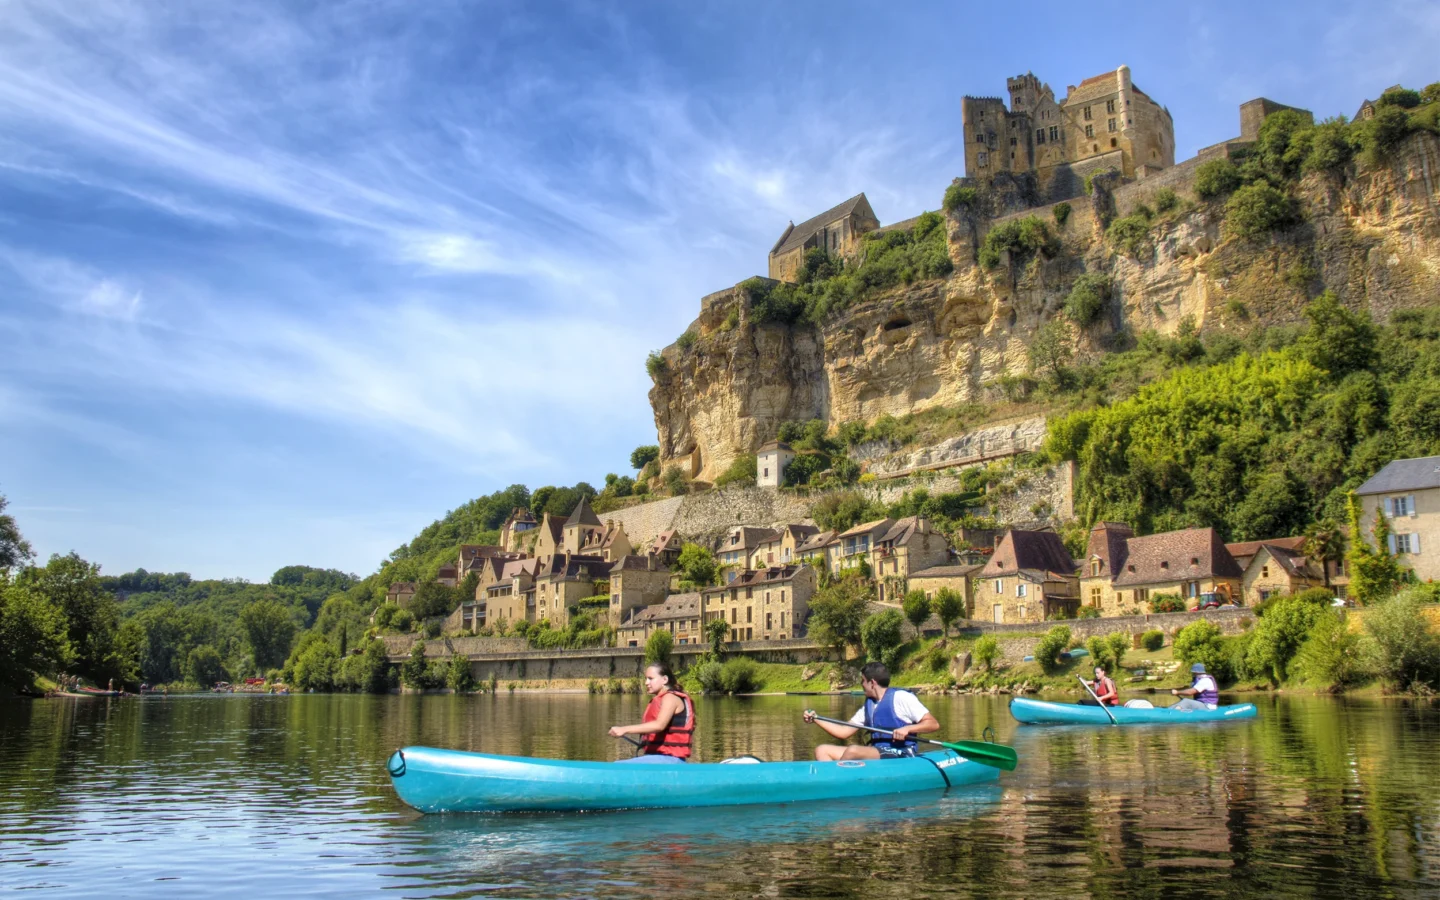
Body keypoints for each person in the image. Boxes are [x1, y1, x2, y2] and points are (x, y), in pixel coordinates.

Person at [803, 662, 940, 761]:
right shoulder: (869, 706)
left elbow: (933, 724)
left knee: (853, 750)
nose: (861, 685)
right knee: (822, 750)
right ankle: (829, 780)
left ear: (872, 683)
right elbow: (844, 732)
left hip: (902, 752)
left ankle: (838, 782)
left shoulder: (901, 697)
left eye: (863, 681)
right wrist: (816, 718)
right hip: (878, 752)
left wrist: (908, 729)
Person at [608, 662, 695, 764]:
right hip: (659, 759)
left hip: (671, 760)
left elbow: (659, 725)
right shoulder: (660, 699)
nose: (646, 682)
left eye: (651, 678)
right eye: (646, 678)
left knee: (618, 765)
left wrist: (624, 729)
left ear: (665, 680)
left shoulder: (670, 698)